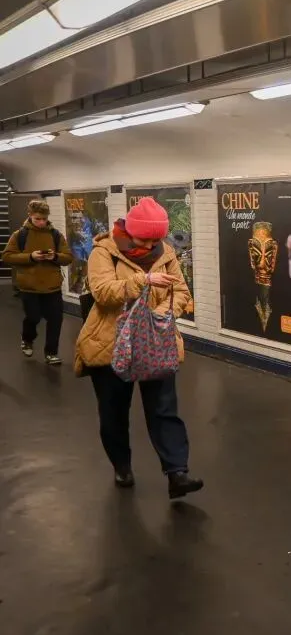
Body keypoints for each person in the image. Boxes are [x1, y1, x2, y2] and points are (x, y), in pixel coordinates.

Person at [73, 197, 204, 499]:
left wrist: (166, 313)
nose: (151, 244)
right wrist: (143, 280)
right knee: (113, 412)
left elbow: (181, 290)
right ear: (130, 230)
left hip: (155, 341)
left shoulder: (165, 252)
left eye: (156, 239)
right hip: (110, 343)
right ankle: (122, 466)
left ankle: (177, 473)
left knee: (164, 410)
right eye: (145, 238)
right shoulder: (104, 251)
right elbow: (103, 292)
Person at [1, 199, 73, 365]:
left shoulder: (55, 235)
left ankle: (51, 353)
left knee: (55, 320)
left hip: (52, 286)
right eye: (37, 219)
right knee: (33, 317)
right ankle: (27, 339)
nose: (41, 222)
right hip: (29, 287)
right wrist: (30, 257)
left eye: (44, 219)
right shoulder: (20, 235)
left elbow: (68, 257)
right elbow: (7, 256)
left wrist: (54, 256)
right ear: (30, 216)